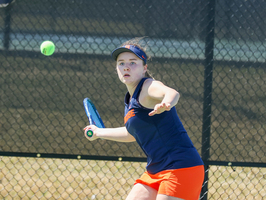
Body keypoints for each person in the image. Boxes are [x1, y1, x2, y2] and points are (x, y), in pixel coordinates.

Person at [84, 38, 204, 200]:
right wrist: (99, 132)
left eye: (133, 62)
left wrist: (167, 102)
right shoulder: (130, 100)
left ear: (144, 68)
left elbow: (171, 92)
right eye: (121, 63)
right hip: (155, 170)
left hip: (181, 168)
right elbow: (131, 134)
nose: (126, 66)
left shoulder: (148, 87)